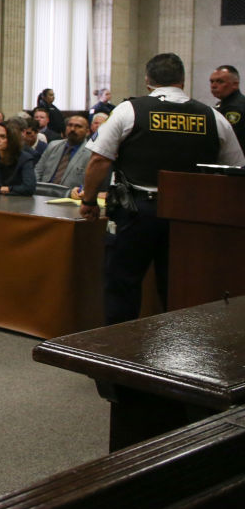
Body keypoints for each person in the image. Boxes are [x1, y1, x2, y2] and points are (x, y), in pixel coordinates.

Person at [79, 53, 244, 324]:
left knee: (123, 283)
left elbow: (99, 159)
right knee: (180, 286)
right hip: (189, 216)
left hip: (136, 212)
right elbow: (236, 170)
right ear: (182, 80)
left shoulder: (129, 110)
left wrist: (88, 201)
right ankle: (177, 353)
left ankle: (121, 350)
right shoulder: (212, 116)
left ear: (148, 81)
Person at [34, 115, 92, 188]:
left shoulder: (91, 154)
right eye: (69, 125)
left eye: (78, 126)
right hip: (43, 192)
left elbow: (90, 184)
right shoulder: (53, 145)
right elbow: (38, 171)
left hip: (69, 196)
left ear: (87, 132)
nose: (72, 129)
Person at [210, 65, 245, 149]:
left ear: (235, 84)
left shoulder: (235, 108)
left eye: (220, 81)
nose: (213, 85)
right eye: (212, 81)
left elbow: (228, 139)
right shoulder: (224, 104)